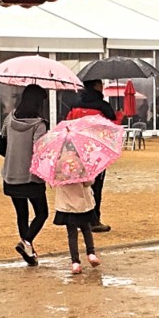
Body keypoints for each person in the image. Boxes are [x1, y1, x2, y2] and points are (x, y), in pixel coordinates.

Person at [0, 84, 49, 266]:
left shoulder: (10, 119)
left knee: (22, 214)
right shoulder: (39, 125)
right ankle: (26, 242)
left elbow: (3, 137)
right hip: (31, 177)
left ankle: (30, 254)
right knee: (42, 213)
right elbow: (39, 149)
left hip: (10, 174)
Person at [66, 78, 116, 232]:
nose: (103, 86)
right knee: (96, 187)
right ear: (95, 86)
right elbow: (111, 126)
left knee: (80, 186)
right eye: (101, 84)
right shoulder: (103, 107)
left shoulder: (74, 105)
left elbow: (68, 126)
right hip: (96, 153)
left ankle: (80, 219)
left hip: (77, 151)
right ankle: (94, 220)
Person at [52, 178, 100, 275]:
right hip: (83, 203)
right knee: (86, 229)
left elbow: (53, 181)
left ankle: (75, 262)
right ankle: (91, 253)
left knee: (72, 234)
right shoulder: (81, 164)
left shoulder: (58, 165)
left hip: (66, 205)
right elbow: (88, 182)